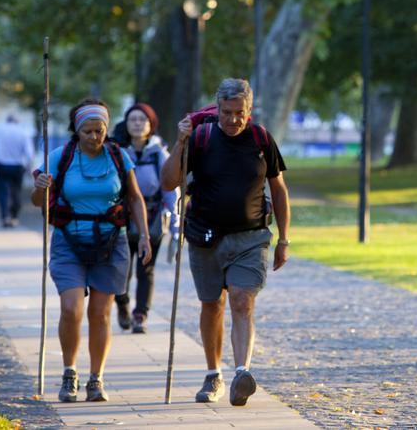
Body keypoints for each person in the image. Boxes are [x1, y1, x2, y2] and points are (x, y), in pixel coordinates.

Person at [160, 78, 289, 407]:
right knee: (211, 304)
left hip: (251, 237)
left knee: (242, 300)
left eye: (240, 113)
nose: (234, 119)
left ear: (250, 110)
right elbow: (168, 181)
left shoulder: (261, 139)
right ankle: (212, 373)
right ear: (217, 109)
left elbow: (279, 190)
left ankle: (242, 372)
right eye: (227, 112)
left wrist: (284, 239)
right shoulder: (201, 137)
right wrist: (180, 141)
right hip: (205, 236)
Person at [32, 99, 153, 403]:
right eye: (87, 131)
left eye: (99, 130)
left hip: (111, 242)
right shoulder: (60, 157)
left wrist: (145, 237)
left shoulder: (118, 155)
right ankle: (69, 372)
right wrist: (41, 187)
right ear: (76, 130)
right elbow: (38, 202)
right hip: (68, 241)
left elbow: (135, 198)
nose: (93, 137)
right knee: (72, 309)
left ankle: (96, 378)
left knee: (100, 313)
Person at [113, 103, 178, 334]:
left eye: (143, 120)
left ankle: (140, 315)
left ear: (151, 125)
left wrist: (175, 221)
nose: (138, 123)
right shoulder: (117, 150)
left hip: (152, 218)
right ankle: (122, 304)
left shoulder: (159, 152)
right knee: (122, 267)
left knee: (145, 268)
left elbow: (170, 187)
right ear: (126, 123)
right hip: (122, 218)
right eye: (133, 119)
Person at [0, 114, 35, 227]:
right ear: (17, 121)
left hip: (1, 165)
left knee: (2, 192)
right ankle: (14, 216)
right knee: (16, 191)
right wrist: (29, 167)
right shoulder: (23, 132)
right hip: (17, 166)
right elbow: (29, 153)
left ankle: (5, 216)